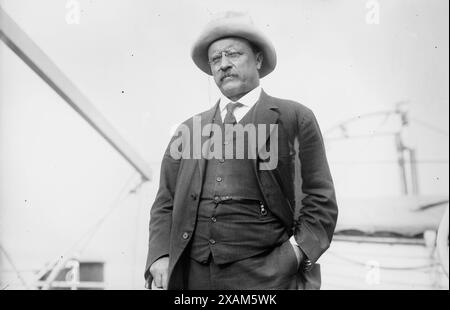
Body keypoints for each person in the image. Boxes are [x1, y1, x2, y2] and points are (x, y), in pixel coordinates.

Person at [144, 11, 338, 290]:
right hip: (194, 278)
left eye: (233, 54)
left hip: (268, 278)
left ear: (258, 60)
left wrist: (296, 254)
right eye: (215, 59)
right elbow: (165, 201)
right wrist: (159, 256)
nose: (224, 65)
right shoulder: (188, 130)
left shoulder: (295, 118)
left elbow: (320, 200)